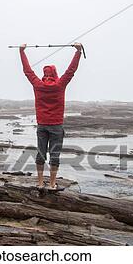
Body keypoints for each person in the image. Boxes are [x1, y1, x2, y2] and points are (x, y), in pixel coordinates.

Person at [19, 43, 82, 189]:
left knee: (41, 153)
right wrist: (78, 51)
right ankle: (52, 184)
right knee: (55, 155)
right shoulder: (60, 84)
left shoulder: (38, 84)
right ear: (54, 74)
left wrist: (21, 51)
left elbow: (27, 71)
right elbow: (71, 70)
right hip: (56, 126)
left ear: (44, 74)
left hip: (42, 125)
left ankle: (40, 184)